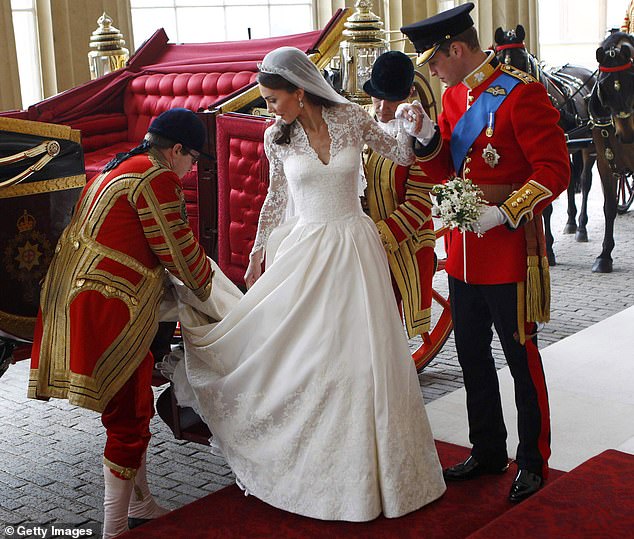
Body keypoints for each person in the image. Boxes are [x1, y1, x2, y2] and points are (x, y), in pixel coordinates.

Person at [171, 46, 446, 521]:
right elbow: (276, 200)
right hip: (308, 250)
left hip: (356, 247)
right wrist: (258, 251)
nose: (269, 108)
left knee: (366, 361)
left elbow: (399, 153)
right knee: (313, 359)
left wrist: (415, 124)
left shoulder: (353, 118)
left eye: (274, 99)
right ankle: (318, 463)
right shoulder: (277, 138)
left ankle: (379, 474)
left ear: (300, 92)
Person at [400, 3, 569, 503]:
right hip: (463, 252)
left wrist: (508, 212)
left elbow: (555, 170)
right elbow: (445, 176)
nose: (430, 70)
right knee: (472, 356)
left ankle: (533, 460)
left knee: (521, 359)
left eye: (433, 59)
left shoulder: (522, 95)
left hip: (510, 252)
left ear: (456, 48)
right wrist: (427, 139)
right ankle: (489, 449)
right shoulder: (453, 98)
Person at [27, 108, 214, 538]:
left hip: (80, 296)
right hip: (111, 305)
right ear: (178, 150)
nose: (190, 172)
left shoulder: (122, 165)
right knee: (129, 414)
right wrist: (215, 292)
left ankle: (142, 504)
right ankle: (114, 528)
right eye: (192, 161)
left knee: (127, 411)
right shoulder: (156, 177)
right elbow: (180, 253)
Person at [361, 50, 437, 339]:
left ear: (409, 94)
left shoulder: (420, 135)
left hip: (404, 240)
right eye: (376, 97)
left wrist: (378, 236)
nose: (381, 107)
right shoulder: (365, 123)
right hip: (364, 235)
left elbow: (419, 203)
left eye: (390, 99)